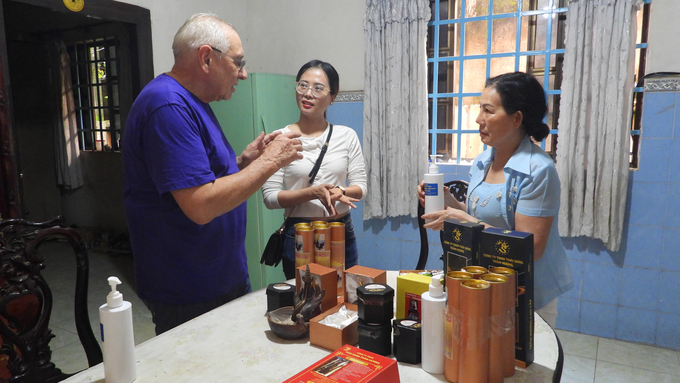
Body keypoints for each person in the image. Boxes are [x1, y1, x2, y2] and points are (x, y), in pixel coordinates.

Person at [123, 13, 303, 335]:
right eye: (238, 63)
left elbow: (191, 177)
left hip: (217, 276)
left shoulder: (192, 101)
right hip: (190, 287)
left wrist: (243, 162)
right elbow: (201, 204)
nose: (244, 74)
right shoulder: (168, 106)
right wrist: (269, 163)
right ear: (206, 58)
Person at [418, 72, 573, 327]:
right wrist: (446, 202)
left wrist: (468, 222)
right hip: (485, 281)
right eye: (480, 110)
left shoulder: (538, 170)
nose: (479, 119)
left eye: (488, 111)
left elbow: (531, 247)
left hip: (526, 290)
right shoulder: (482, 161)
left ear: (516, 118)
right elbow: (478, 213)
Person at [261, 60, 367, 280]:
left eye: (318, 88)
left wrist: (341, 191)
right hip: (299, 233)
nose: (308, 93)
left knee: (345, 295)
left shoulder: (346, 136)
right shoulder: (280, 139)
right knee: (303, 300)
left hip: (339, 230)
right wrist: (312, 193)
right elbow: (270, 198)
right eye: (303, 85)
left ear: (333, 97)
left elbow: (361, 188)